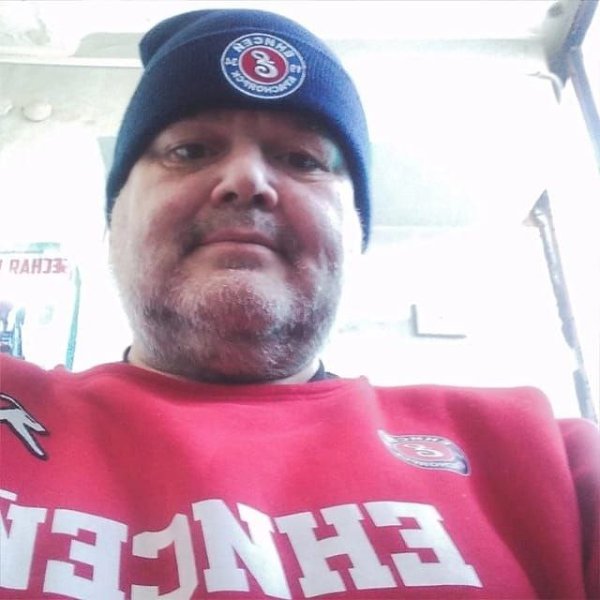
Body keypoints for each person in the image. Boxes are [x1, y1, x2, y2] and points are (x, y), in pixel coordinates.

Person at [0, 9, 598, 600]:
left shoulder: (542, 459)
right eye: (189, 150)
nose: (246, 179)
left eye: (303, 159)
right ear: (114, 218)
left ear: (355, 233)